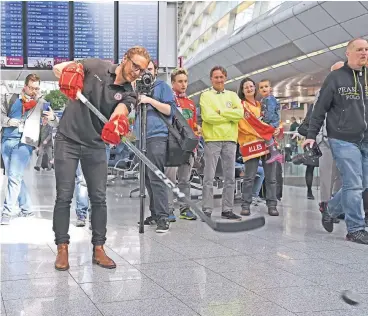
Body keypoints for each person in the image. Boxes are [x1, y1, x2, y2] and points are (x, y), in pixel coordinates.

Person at [52, 46, 149, 270]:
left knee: (99, 197)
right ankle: (62, 248)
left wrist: (118, 122)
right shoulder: (96, 65)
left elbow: (121, 111)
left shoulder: (130, 93)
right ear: (125, 59)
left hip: (95, 145)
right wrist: (72, 73)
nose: (137, 72)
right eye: (135, 65)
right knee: (64, 195)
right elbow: (58, 69)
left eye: (141, 70)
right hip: (68, 139)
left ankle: (98, 248)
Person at [303, 38, 368, 244]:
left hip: (366, 139)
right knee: (354, 183)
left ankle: (330, 209)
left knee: (363, 182)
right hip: (342, 138)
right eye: (359, 49)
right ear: (348, 53)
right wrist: (311, 136)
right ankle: (355, 228)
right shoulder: (336, 78)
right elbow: (320, 108)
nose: (364, 52)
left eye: (367, 49)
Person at [1, 74, 58, 225]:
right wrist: (9, 121)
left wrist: (51, 117)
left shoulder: (41, 103)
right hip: (6, 142)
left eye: (37, 88)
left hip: (25, 142)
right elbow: (0, 115)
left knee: (14, 177)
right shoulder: (10, 98)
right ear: (25, 86)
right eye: (32, 88)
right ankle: (26, 209)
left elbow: (54, 123)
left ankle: (6, 213)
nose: (34, 91)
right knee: (15, 176)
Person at [135, 60, 176, 233]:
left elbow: (169, 110)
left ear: (156, 71)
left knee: (157, 177)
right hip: (141, 137)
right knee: (146, 179)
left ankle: (163, 217)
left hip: (157, 136)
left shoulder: (162, 87)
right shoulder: (136, 87)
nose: (146, 73)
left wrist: (149, 100)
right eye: (143, 70)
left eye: (150, 69)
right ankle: (154, 213)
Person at [200, 66, 244, 220]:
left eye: (221, 77)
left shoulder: (232, 96)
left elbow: (240, 114)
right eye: (216, 77)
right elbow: (207, 117)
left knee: (230, 177)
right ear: (211, 79)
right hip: (212, 140)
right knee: (209, 178)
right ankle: (206, 209)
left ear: (225, 78)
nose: (219, 80)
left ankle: (227, 209)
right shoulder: (205, 96)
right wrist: (229, 117)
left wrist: (221, 111)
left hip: (230, 140)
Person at [237, 77, 281, 216]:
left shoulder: (262, 104)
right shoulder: (241, 106)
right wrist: (264, 131)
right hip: (251, 145)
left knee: (271, 177)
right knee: (249, 177)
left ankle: (272, 205)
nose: (249, 89)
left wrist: (277, 129)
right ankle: (246, 205)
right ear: (242, 91)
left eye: (251, 86)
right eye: (246, 87)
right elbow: (244, 126)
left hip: (267, 144)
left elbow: (273, 119)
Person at [165, 68, 199, 222]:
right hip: (173, 147)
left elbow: (193, 126)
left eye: (185, 81)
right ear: (173, 83)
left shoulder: (191, 104)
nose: (183, 84)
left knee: (185, 180)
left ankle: (185, 208)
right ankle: (168, 209)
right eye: (180, 81)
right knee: (169, 179)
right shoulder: (168, 102)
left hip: (189, 148)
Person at [258, 79, 283, 164]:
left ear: (270, 88)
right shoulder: (264, 100)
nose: (263, 88)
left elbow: (270, 112)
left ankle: (274, 153)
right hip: (272, 121)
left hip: (272, 122)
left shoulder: (269, 100)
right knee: (269, 137)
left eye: (266, 86)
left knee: (266, 135)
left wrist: (264, 122)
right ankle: (275, 153)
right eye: (261, 87)